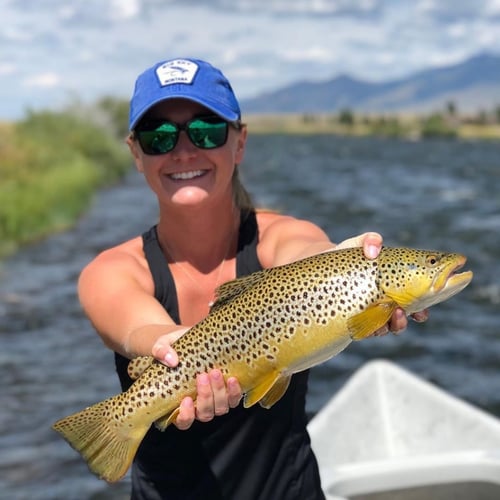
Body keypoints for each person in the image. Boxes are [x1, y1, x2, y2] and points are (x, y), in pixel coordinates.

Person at [78, 57, 428, 500]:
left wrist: (346, 266)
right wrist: (166, 346)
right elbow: (136, 328)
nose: (183, 150)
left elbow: (310, 254)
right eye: (159, 136)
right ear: (135, 153)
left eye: (207, 130)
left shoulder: (283, 235)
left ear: (239, 143)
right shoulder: (109, 270)